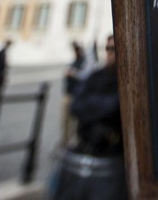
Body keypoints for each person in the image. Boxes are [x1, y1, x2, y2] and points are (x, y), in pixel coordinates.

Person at [52, 35, 125, 200]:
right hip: (85, 151)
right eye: (108, 49)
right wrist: (102, 108)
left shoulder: (126, 81)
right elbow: (76, 105)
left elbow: (115, 105)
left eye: (114, 49)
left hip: (111, 158)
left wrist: (92, 108)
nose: (110, 53)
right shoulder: (95, 76)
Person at [61, 42, 86, 148]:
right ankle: (65, 141)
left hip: (75, 96)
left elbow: (84, 76)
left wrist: (73, 73)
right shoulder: (74, 62)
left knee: (74, 121)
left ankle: (73, 142)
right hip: (68, 94)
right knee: (65, 120)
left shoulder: (83, 62)